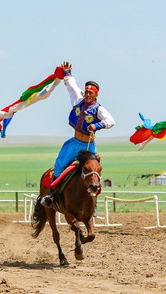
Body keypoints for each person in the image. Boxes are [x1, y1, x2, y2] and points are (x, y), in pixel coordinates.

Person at [40, 61, 115, 208]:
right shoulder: (78, 101)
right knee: (60, 165)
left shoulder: (99, 109)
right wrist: (67, 73)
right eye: (86, 92)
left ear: (95, 95)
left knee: (92, 171)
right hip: (74, 143)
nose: (87, 95)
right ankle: (51, 195)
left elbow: (111, 121)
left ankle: (92, 205)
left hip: (88, 146)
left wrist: (98, 125)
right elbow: (72, 87)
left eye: (90, 93)